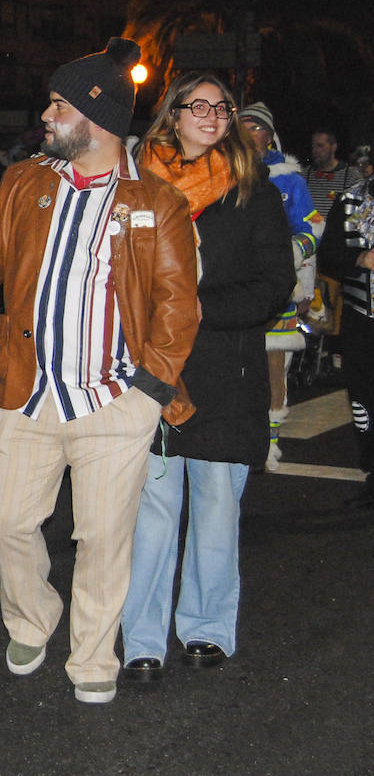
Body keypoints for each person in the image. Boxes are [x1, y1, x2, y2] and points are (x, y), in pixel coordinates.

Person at [0, 38, 200, 704]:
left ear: (99, 116)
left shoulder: (158, 202)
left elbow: (178, 304)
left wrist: (149, 391)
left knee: (103, 538)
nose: (47, 114)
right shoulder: (25, 182)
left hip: (113, 399)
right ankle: (35, 615)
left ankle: (92, 658)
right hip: (26, 391)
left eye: (59, 104)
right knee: (2, 518)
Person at [119, 73, 294, 683]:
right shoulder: (132, 186)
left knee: (217, 511)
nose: (213, 115)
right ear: (171, 115)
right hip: (151, 374)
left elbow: (275, 286)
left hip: (225, 372)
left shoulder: (255, 193)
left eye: (222, 107)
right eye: (199, 105)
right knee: (151, 514)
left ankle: (206, 628)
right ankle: (141, 641)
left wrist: (192, 307)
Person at [236, 102, 322, 470]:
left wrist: (289, 256)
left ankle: (269, 444)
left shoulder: (289, 178)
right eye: (242, 126)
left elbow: (314, 226)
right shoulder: (222, 170)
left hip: (276, 289)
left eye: (255, 127)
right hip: (233, 289)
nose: (247, 133)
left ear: (269, 135)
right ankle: (237, 435)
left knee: (274, 367)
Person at [318, 171, 374, 508]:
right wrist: (360, 259)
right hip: (360, 319)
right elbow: (329, 255)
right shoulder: (350, 201)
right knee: (364, 399)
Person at [302, 129, 361, 221]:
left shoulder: (351, 176)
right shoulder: (305, 175)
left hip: (338, 233)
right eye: (313, 146)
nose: (315, 150)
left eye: (320, 146)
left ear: (333, 147)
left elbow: (359, 213)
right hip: (310, 233)